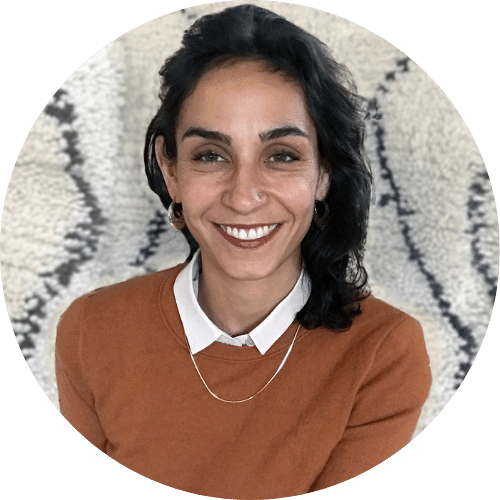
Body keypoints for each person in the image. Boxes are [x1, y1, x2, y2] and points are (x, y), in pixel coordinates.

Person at [56, 4, 432, 499]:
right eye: (211, 155)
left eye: (281, 156)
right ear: (171, 171)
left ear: (323, 174)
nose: (242, 195)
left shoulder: (384, 353)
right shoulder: (90, 330)